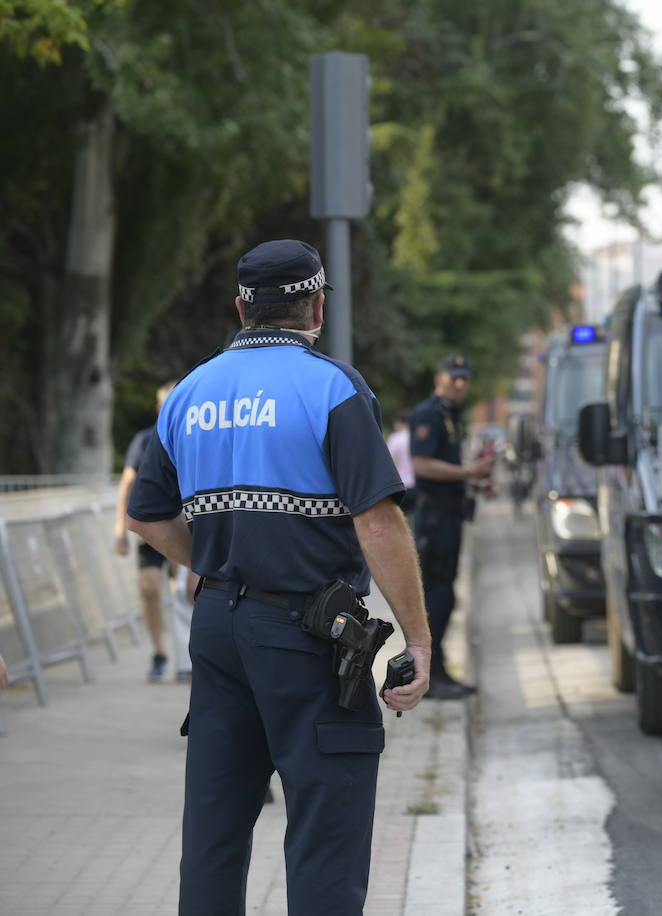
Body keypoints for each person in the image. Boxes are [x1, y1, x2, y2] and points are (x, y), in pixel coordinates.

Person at [127, 239, 432, 916]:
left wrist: (213, 565)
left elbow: (145, 517)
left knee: (215, 827)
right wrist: (419, 641)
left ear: (241, 306)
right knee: (326, 830)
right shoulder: (332, 388)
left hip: (217, 631)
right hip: (308, 635)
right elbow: (377, 523)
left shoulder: (190, 392)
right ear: (317, 305)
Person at [409, 354, 493, 700]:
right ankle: (429, 675)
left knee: (444, 594)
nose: (459, 384)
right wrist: (468, 474)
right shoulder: (429, 414)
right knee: (437, 595)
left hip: (450, 514)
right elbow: (422, 465)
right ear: (438, 378)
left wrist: (473, 483)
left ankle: (438, 670)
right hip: (434, 518)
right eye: (452, 377)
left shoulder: (450, 416)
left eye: (463, 378)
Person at [114, 381, 179, 681]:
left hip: (190, 525)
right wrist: (120, 529)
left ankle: (188, 658)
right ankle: (159, 651)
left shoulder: (192, 431)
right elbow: (126, 485)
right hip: (155, 526)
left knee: (185, 593)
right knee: (150, 587)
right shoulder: (144, 440)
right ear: (158, 408)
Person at [386, 410, 416, 512]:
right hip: (415, 484)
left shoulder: (395, 438)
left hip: (400, 484)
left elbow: (390, 462)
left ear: (398, 422)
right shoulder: (415, 437)